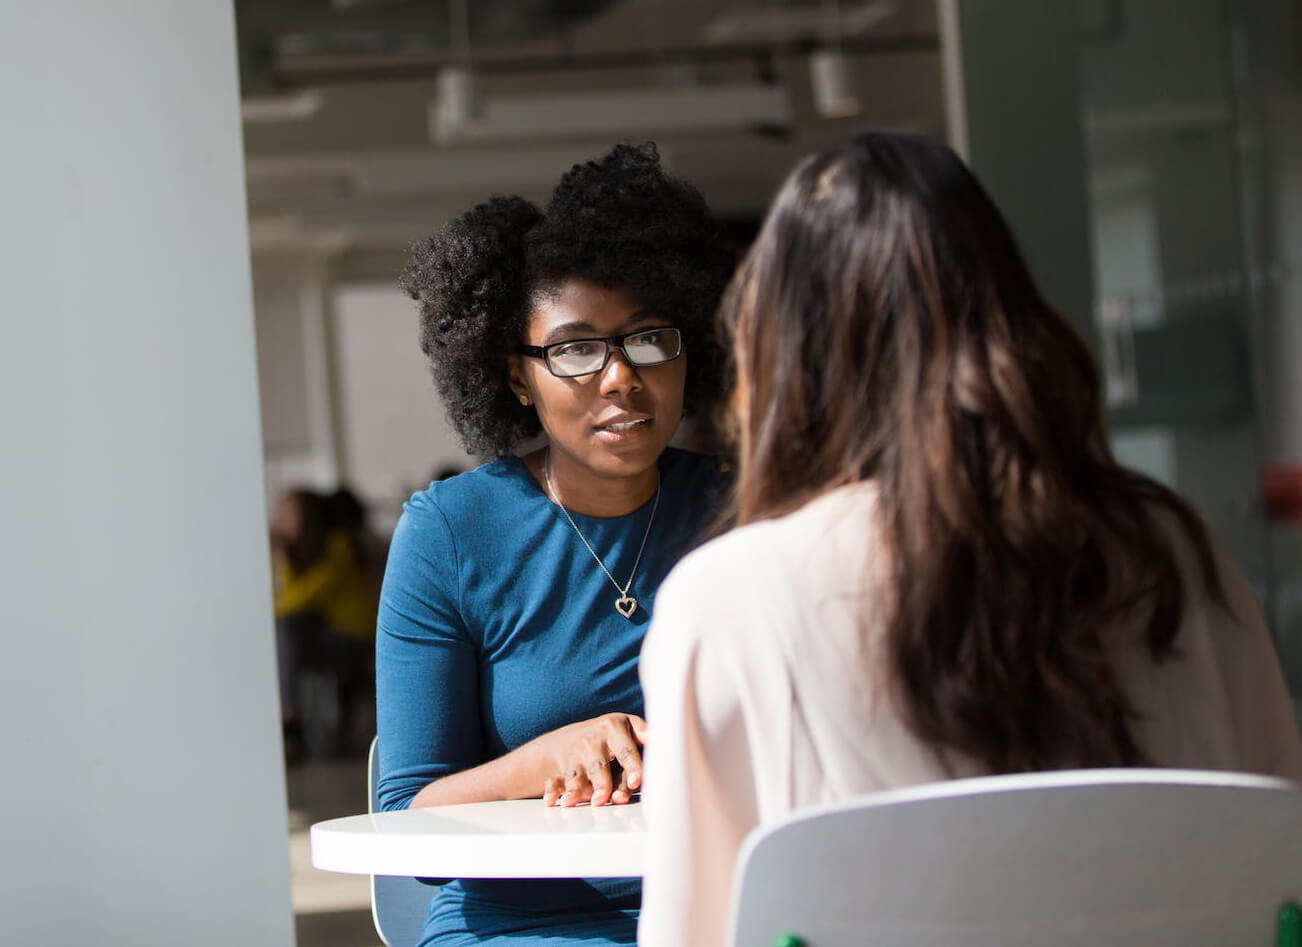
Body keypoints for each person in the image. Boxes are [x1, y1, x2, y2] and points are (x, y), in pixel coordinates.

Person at [636, 130, 1302, 945]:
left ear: (785, 358)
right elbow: (1282, 877)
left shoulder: (730, 602)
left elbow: (687, 933)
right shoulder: (1179, 557)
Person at [379, 142, 734, 945]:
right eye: (576, 349)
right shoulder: (450, 533)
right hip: (521, 924)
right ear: (515, 377)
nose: (620, 376)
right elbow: (408, 822)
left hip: (724, 907)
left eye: (649, 339)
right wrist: (548, 759)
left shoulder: (742, 507)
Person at [271, 487, 381, 760]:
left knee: (286, 630)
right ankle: (289, 719)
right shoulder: (302, 554)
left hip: (352, 639)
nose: (281, 522)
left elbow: (306, 597)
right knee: (286, 633)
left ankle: (290, 718)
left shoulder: (339, 546)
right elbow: (293, 596)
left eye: (288, 515)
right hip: (327, 636)